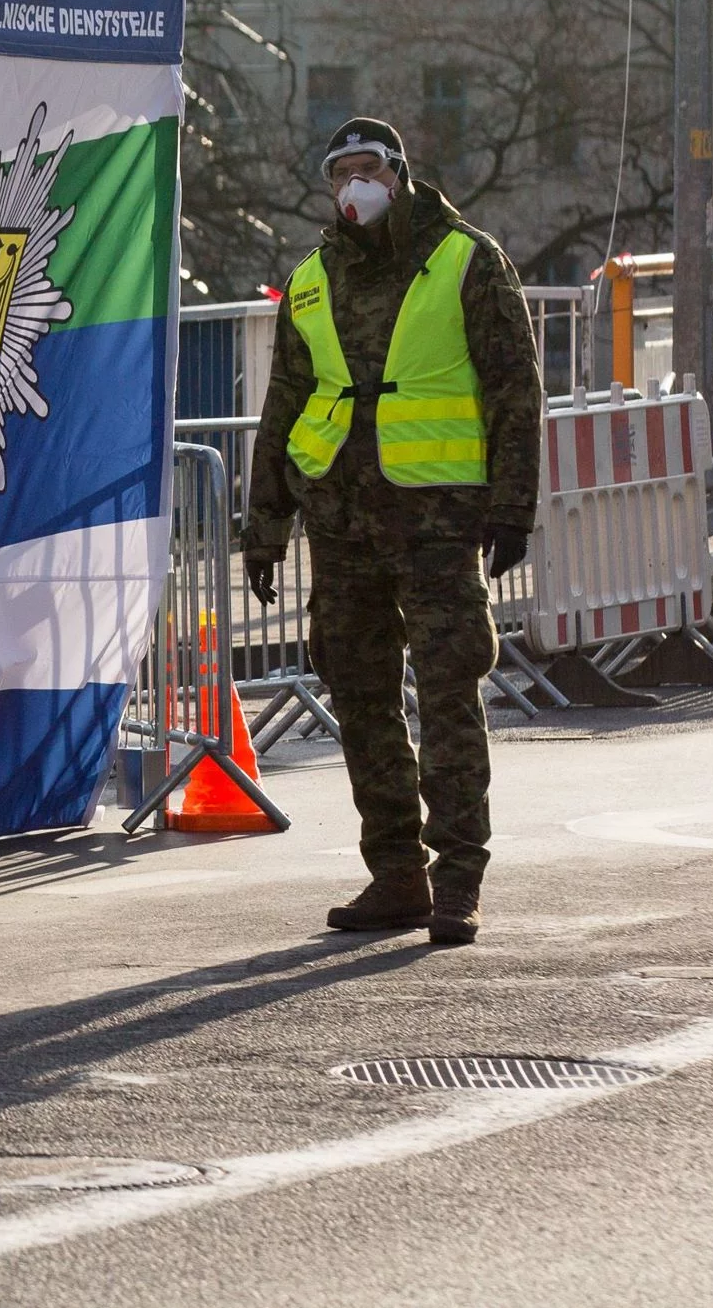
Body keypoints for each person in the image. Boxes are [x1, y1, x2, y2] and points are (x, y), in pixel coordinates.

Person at [242, 117, 540, 947]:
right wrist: (263, 524)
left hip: (439, 519)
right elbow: (285, 406)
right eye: (339, 173)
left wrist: (515, 505)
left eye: (367, 167)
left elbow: (515, 388)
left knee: (449, 690)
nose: (352, 186)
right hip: (340, 520)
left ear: (401, 173)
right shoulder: (310, 280)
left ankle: (458, 880)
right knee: (360, 691)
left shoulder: (466, 259)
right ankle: (397, 872)